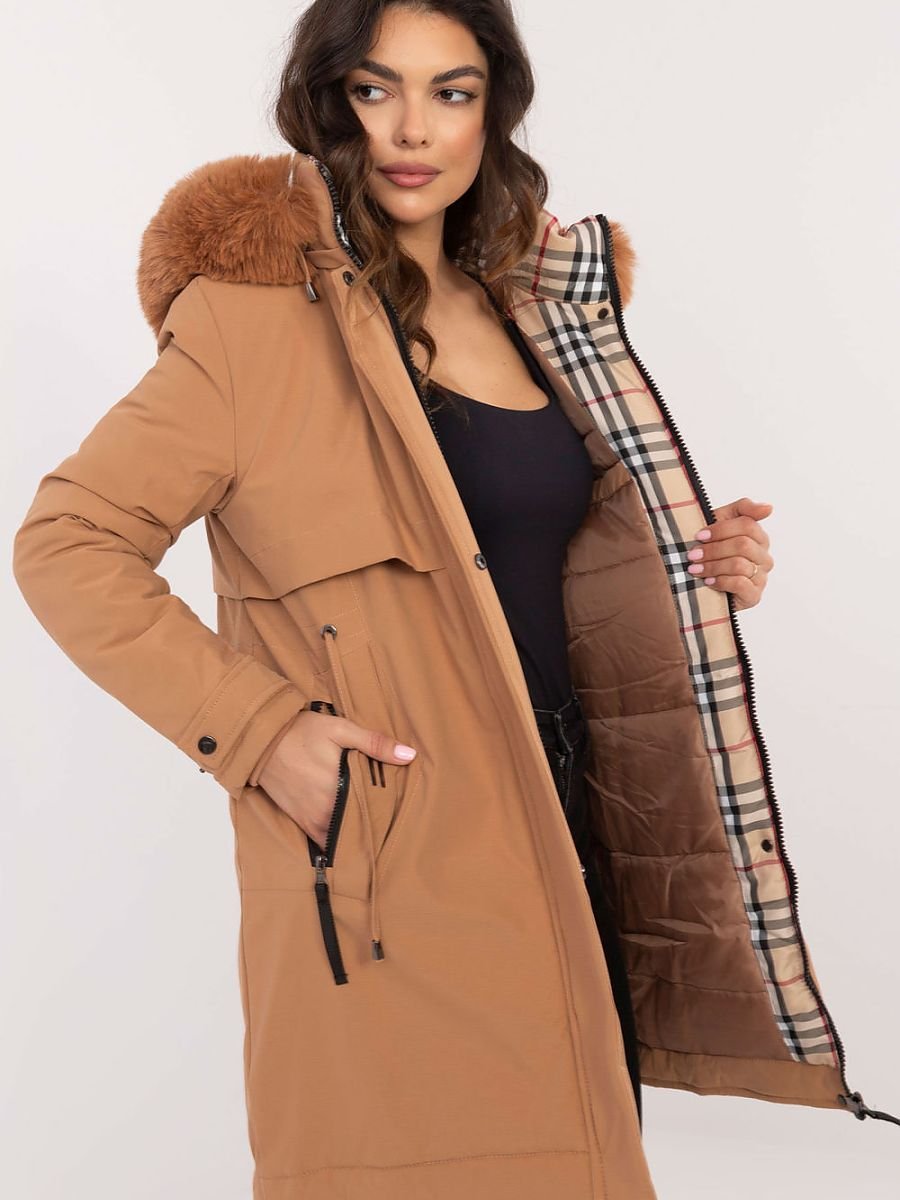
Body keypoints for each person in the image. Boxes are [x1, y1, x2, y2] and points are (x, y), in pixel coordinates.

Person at [16, 3, 894, 1198]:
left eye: (453, 92)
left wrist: (690, 565)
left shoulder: (535, 311)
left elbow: (521, 561)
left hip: (572, 825)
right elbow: (67, 541)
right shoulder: (248, 323)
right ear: (327, 105)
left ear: (495, 110)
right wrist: (260, 733)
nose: (413, 130)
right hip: (404, 855)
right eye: (375, 90)